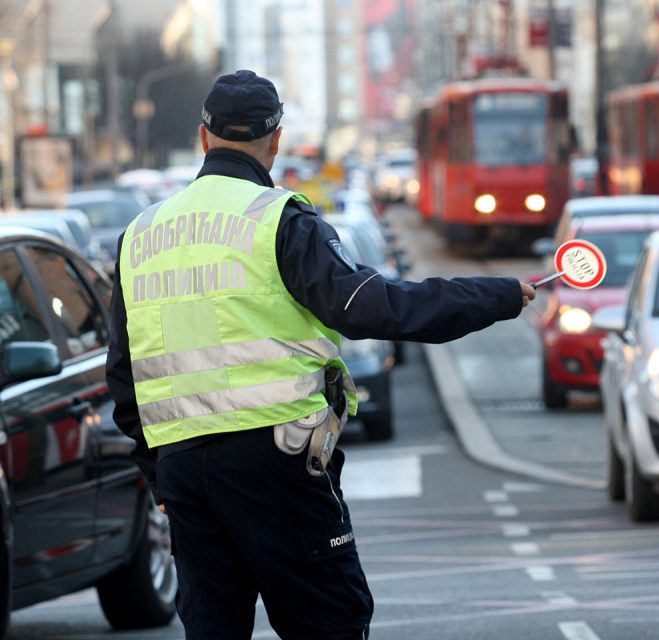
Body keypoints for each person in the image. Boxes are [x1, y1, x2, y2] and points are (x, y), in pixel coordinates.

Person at [106, 69, 536, 640]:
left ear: (202, 137)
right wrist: (497, 294)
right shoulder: (279, 220)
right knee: (329, 621)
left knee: (212, 630)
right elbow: (375, 309)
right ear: (276, 139)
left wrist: (158, 473)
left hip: (184, 470)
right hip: (275, 461)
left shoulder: (140, 234)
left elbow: (123, 372)